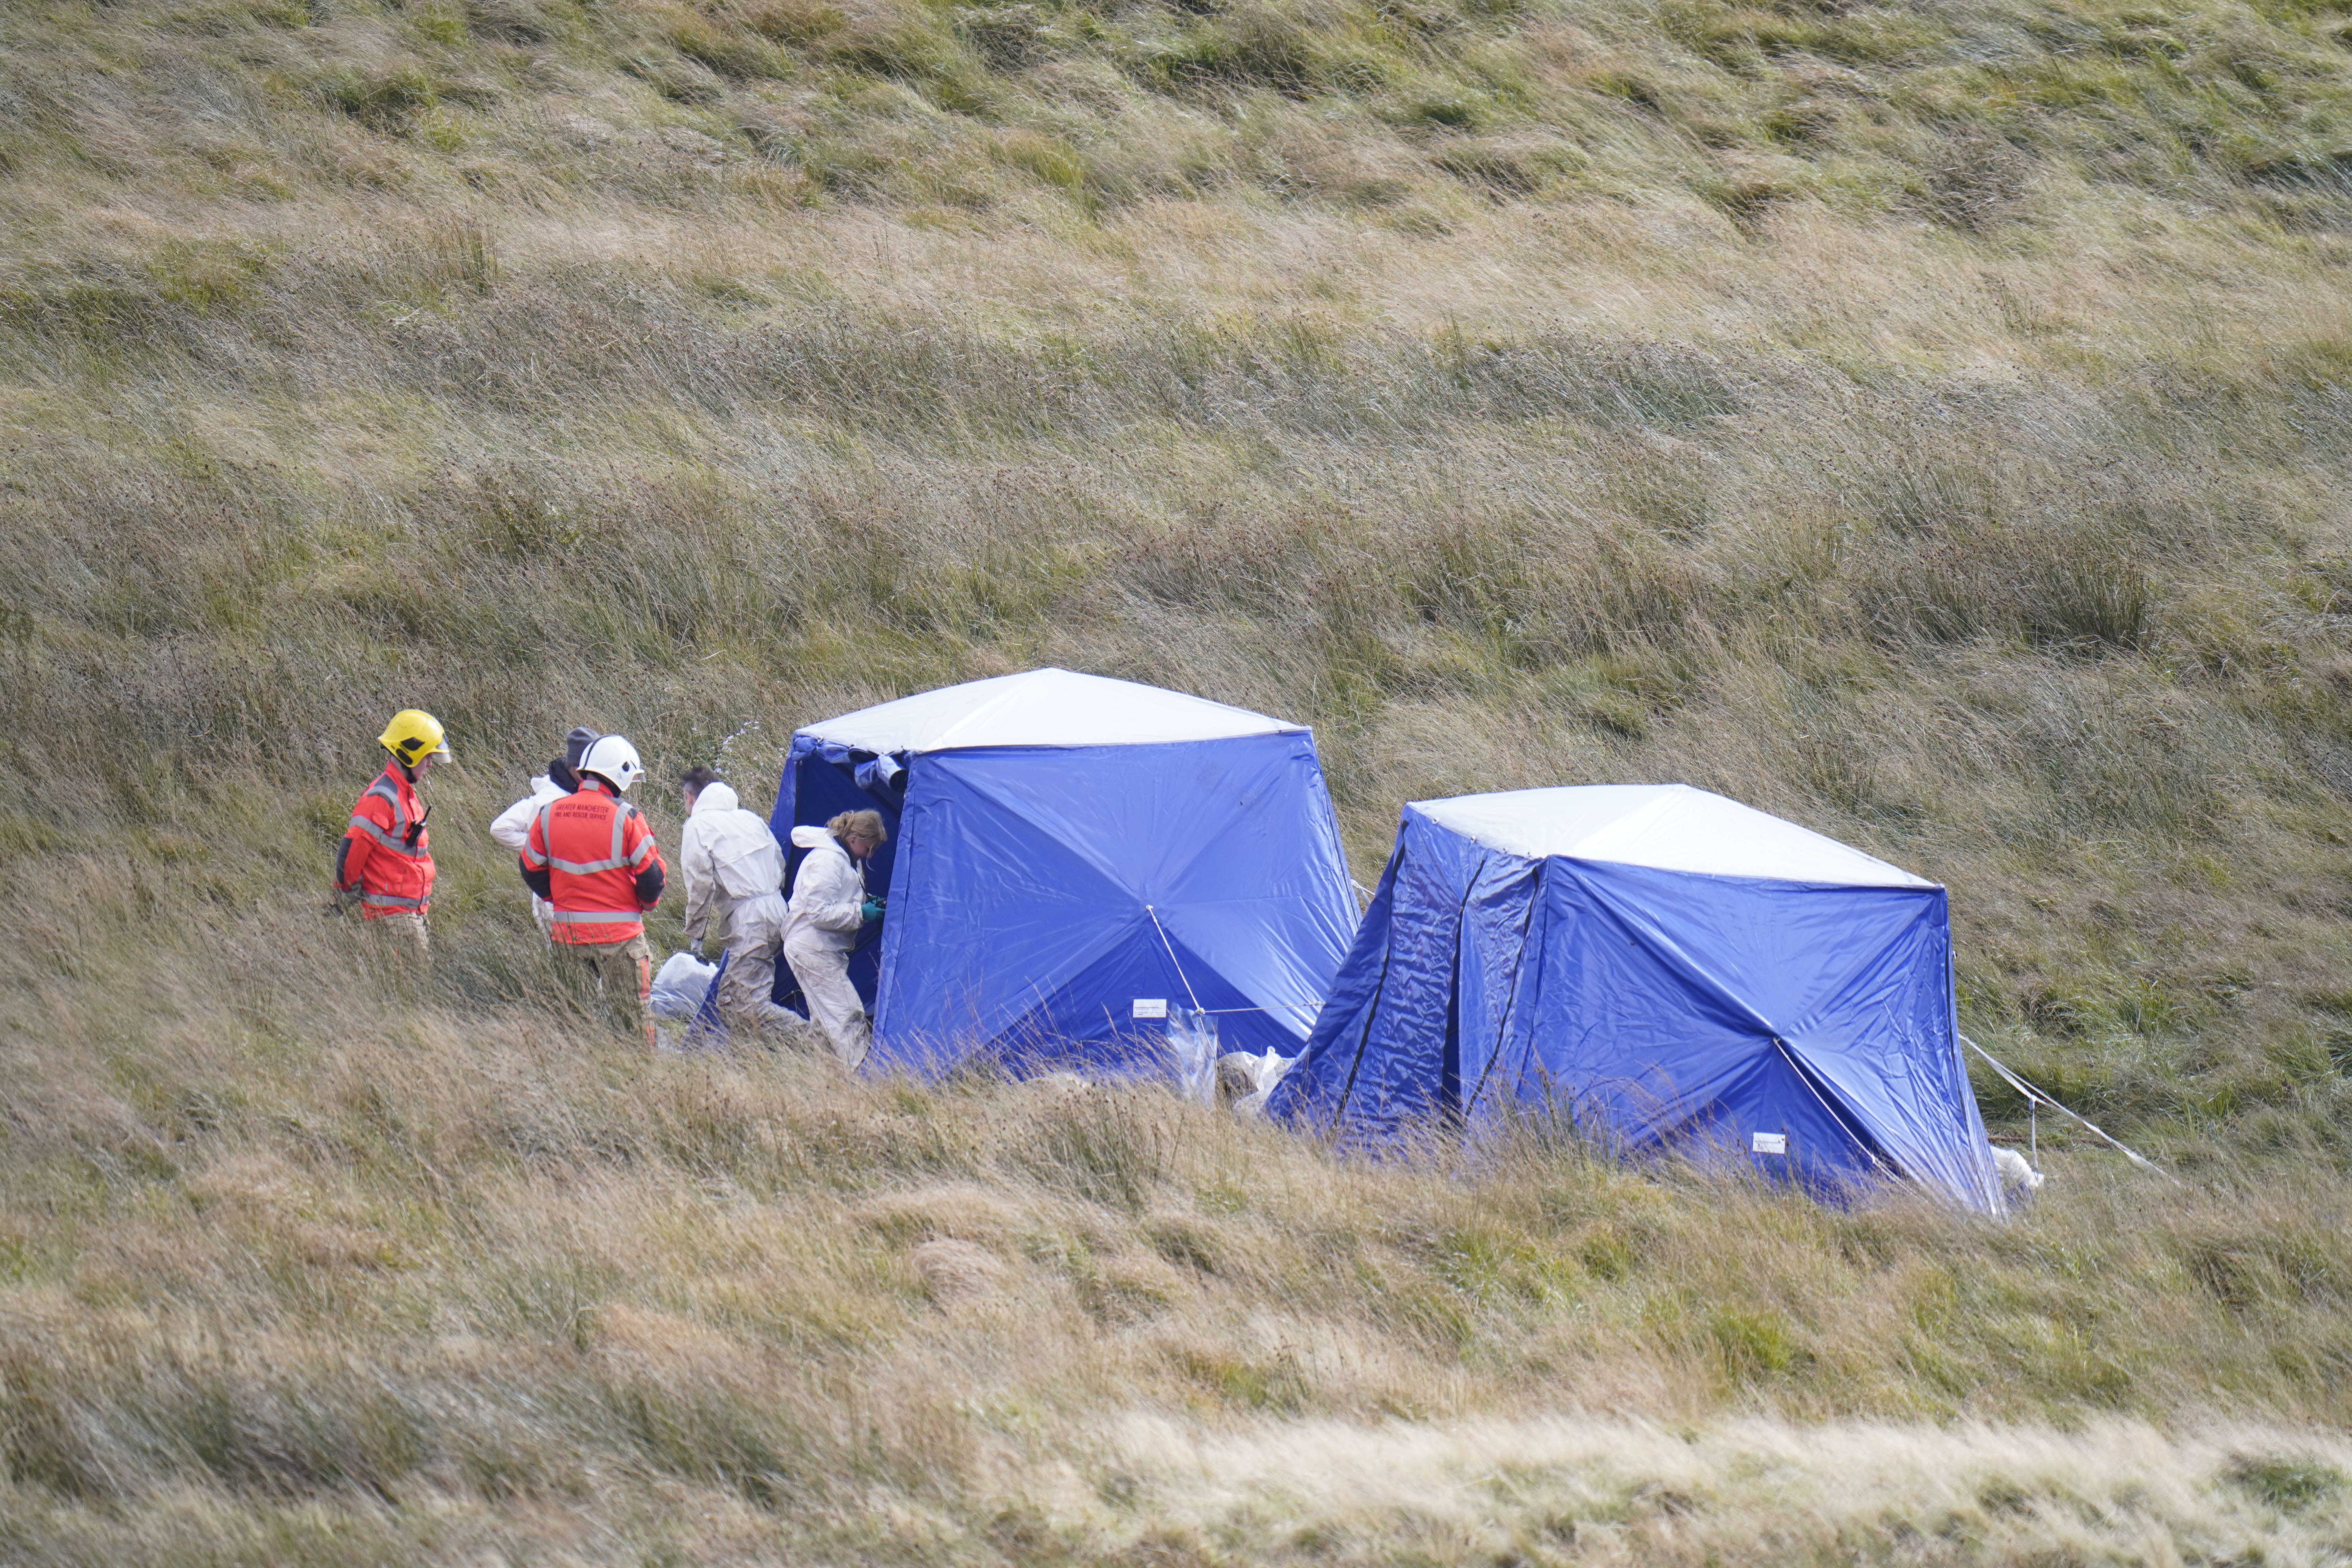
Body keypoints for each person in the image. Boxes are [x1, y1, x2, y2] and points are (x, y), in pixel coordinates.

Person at [519, 734, 666, 1049]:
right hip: (621, 938)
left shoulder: (550, 813)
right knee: (633, 1023)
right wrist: (643, 905)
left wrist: (556, 898)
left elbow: (529, 869)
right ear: (620, 774)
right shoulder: (627, 817)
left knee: (572, 1021)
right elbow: (653, 877)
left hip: (567, 936)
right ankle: (641, 1082)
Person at [677, 766, 799, 1038]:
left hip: (749, 920)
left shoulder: (698, 826)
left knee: (745, 1006)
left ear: (690, 797)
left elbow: (701, 884)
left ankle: (815, 1041)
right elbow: (779, 862)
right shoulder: (750, 819)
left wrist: (695, 935)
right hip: (778, 909)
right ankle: (752, 1060)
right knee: (732, 998)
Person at [336, 709, 447, 959]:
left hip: (408, 916)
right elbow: (353, 849)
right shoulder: (383, 797)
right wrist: (344, 892)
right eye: (427, 757)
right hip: (394, 920)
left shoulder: (404, 794)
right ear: (409, 753)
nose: (430, 764)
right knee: (416, 992)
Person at [782, 808, 886, 1069]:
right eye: (869, 848)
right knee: (847, 1015)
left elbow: (838, 895)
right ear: (854, 838)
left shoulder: (847, 859)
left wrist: (866, 901)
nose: (871, 855)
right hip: (812, 947)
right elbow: (819, 913)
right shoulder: (827, 860)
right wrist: (861, 913)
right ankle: (864, 1075)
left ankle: (821, 1075)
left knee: (824, 1024)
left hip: (822, 949)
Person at [490, 726, 599, 937]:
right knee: (568, 966)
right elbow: (500, 828)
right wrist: (543, 850)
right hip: (553, 901)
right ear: (577, 769)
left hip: (572, 896)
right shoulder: (549, 798)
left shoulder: (577, 792)